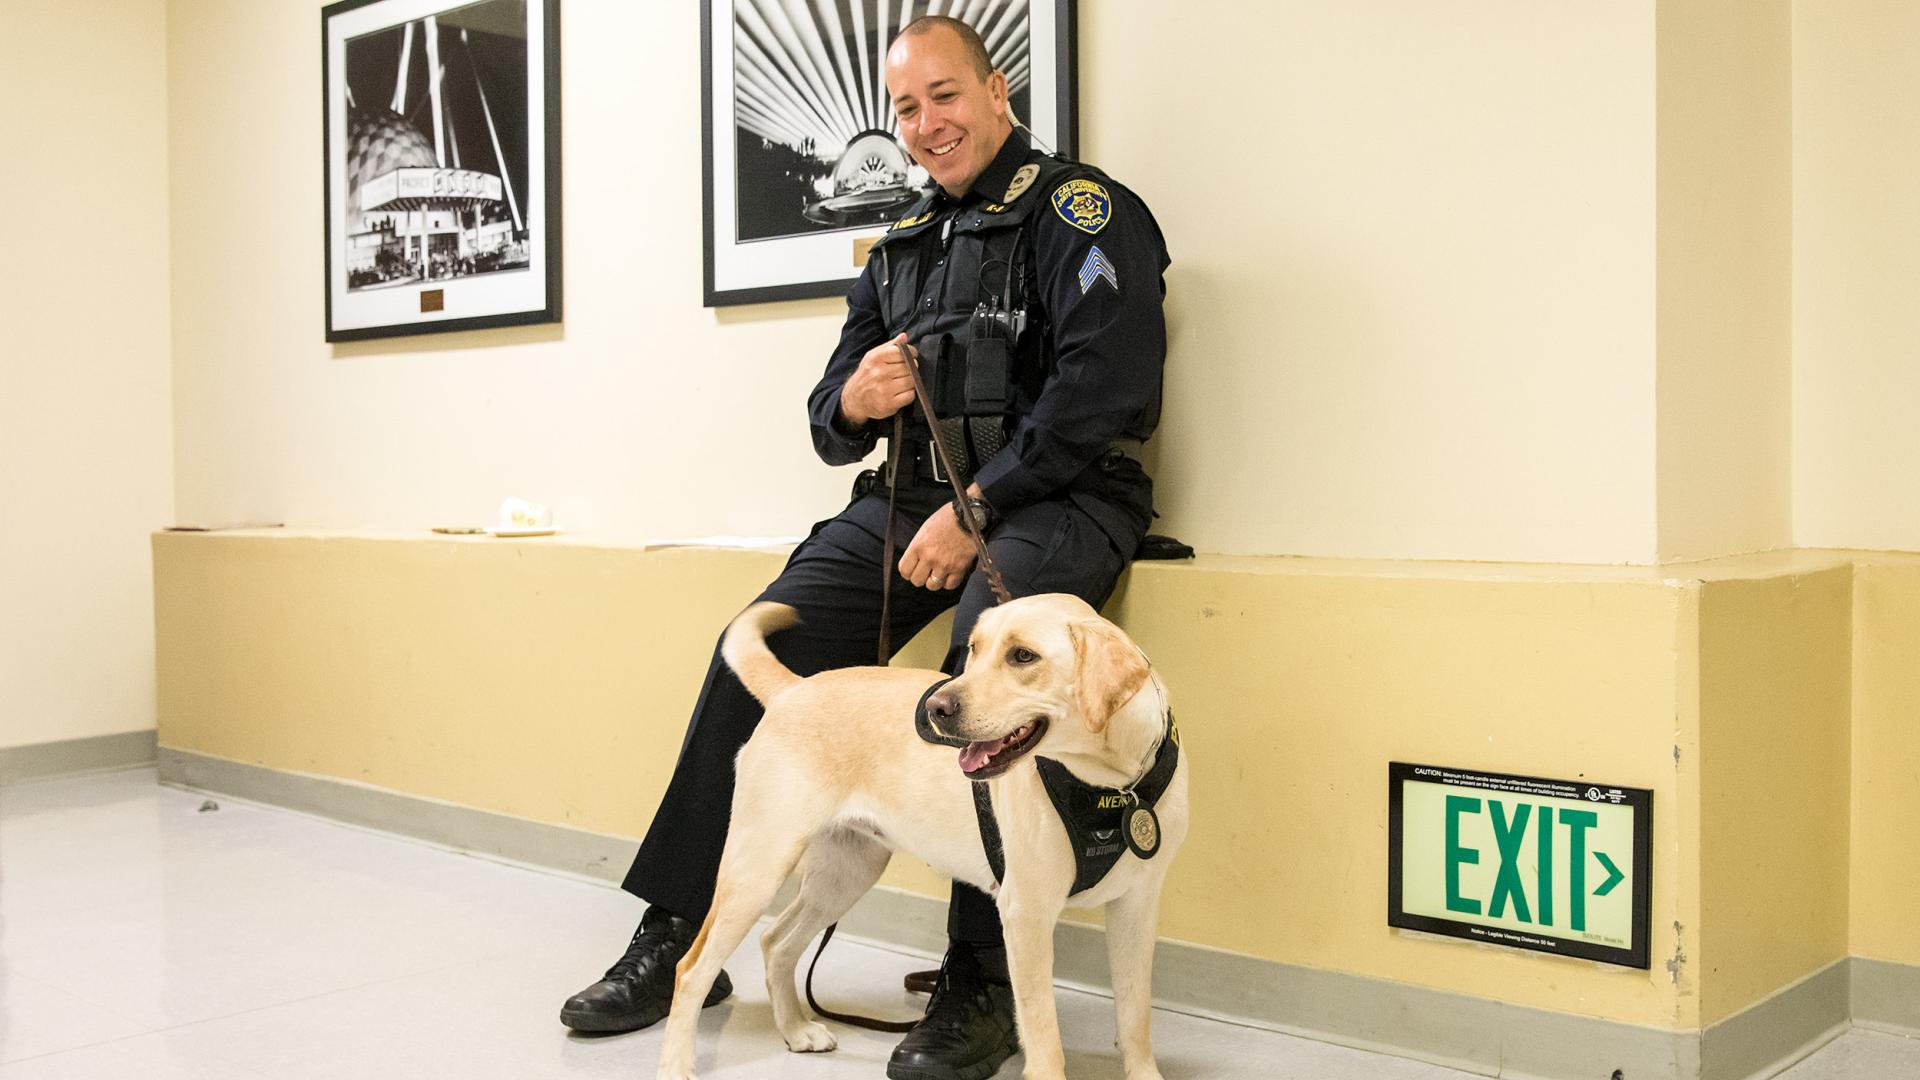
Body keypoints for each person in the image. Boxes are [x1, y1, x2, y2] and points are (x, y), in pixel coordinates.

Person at [560, 15, 1170, 1080]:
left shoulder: (1081, 213)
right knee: (754, 660)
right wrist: (854, 395)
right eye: (905, 108)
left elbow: (1103, 394)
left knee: (991, 660)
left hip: (1058, 499)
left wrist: (977, 504)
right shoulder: (901, 246)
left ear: (996, 95)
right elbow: (825, 412)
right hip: (911, 501)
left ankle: (980, 982)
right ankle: (679, 933)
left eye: (945, 96)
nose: (926, 124)